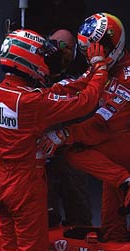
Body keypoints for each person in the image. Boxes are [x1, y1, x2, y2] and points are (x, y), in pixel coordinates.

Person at [0, 28, 108, 251]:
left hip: (2, 181)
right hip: (25, 186)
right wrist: (99, 68)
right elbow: (86, 102)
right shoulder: (33, 104)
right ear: (29, 59)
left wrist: (79, 81)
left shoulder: (3, 93)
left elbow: (52, 93)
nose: (46, 60)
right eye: (41, 55)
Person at [38, 13, 130, 242]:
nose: (92, 56)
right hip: (115, 141)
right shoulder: (105, 66)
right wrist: (42, 95)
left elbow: (100, 124)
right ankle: (126, 194)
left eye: (95, 49)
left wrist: (64, 134)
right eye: (88, 51)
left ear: (110, 44)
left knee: (73, 152)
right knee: (111, 221)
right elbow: (77, 85)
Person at [46, 29, 93, 227]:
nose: (63, 53)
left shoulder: (80, 73)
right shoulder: (36, 71)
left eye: (68, 49)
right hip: (42, 145)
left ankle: (81, 233)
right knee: (44, 204)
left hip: (69, 143)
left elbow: (88, 99)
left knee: (77, 202)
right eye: (59, 47)